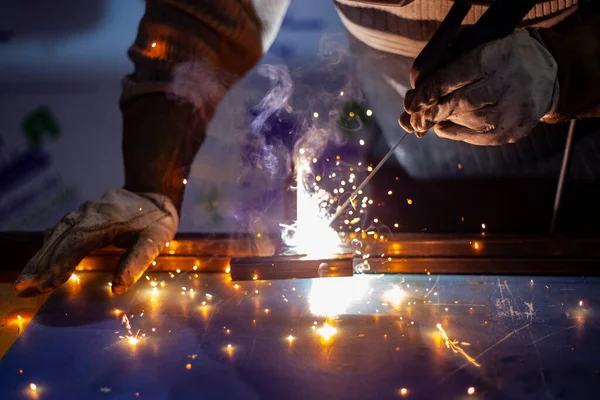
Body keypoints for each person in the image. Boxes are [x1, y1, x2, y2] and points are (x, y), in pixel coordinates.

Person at [13, 0, 600, 294]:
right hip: (418, 158)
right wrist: (151, 184)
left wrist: (569, 68)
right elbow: (200, 17)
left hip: (582, 152)